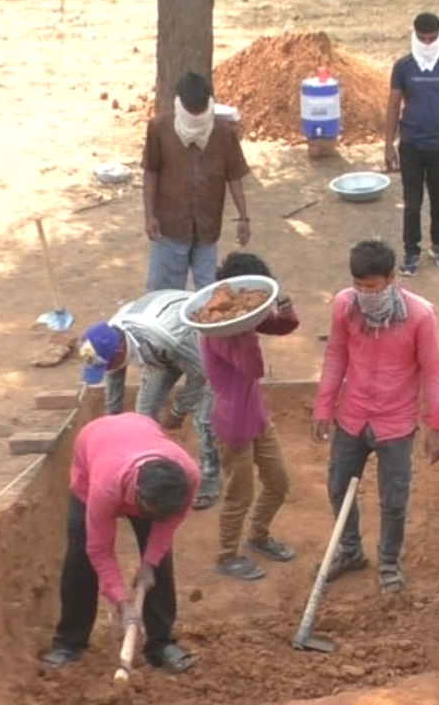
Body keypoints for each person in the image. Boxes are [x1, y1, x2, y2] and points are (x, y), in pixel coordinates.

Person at [312, 240, 439, 595]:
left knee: (393, 499)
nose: (364, 294)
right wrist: (324, 407)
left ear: (391, 278)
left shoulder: (421, 316)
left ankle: (389, 561)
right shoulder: (345, 306)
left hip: (396, 422)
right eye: (358, 286)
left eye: (371, 287)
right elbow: (335, 356)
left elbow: (433, 371)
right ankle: (350, 551)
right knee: (339, 486)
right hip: (353, 415)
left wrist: (438, 425)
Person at [42, 412, 200, 674]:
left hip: (138, 436)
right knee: (81, 558)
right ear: (139, 495)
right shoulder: (105, 487)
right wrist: (122, 602)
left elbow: (169, 523)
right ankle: (69, 643)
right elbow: (99, 549)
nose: (159, 517)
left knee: (160, 561)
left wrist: (149, 562)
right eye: (152, 511)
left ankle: (161, 644)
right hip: (95, 452)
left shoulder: (189, 476)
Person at [202, 252, 301, 582]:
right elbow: (253, 367)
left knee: (279, 482)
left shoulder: (238, 320)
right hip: (233, 426)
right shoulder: (219, 330)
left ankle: (258, 535)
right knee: (239, 494)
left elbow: (282, 326)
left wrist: (283, 309)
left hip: (256, 417)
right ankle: (226, 556)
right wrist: (248, 327)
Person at [80, 291, 221, 508]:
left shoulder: (166, 336)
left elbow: (199, 374)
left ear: (119, 351)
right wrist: (113, 426)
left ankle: (210, 476)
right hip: (159, 356)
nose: (107, 370)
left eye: (106, 365)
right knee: (143, 416)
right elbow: (115, 380)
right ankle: (153, 468)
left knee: (202, 419)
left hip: (198, 348)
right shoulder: (111, 335)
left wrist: (177, 410)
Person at [143, 71, 253, 293]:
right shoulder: (160, 128)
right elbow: (151, 172)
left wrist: (243, 217)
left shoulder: (223, 133)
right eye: (192, 110)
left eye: (201, 110)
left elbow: (234, 177)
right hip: (170, 226)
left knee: (209, 294)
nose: (196, 115)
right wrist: (150, 215)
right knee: (164, 294)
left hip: (207, 227)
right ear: (181, 104)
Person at [385, 11, 439, 276]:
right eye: (423, 39)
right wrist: (388, 144)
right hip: (411, 145)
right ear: (415, 36)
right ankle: (411, 251)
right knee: (412, 202)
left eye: (433, 38)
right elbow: (393, 105)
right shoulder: (403, 67)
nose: (428, 44)